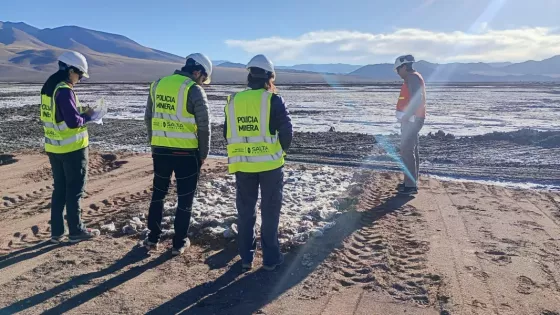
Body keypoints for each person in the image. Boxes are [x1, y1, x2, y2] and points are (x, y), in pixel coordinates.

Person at [223, 54, 293, 271]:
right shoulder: (273, 99)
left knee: (245, 211)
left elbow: (226, 132)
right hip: (270, 165)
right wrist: (280, 151)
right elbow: (287, 131)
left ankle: (246, 258)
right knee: (270, 211)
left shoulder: (233, 100)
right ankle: (271, 259)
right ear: (269, 77)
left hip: (243, 165)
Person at [143, 53, 212, 256]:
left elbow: (148, 118)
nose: (202, 82)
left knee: (158, 194)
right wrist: (203, 154)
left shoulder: (157, 85)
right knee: (185, 199)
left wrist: (154, 144)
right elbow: (204, 126)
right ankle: (179, 242)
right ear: (197, 72)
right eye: (203, 78)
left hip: (161, 151)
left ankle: (152, 238)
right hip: (186, 154)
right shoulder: (193, 89)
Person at [40, 51, 100, 243]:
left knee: (60, 190)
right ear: (70, 70)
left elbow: (59, 115)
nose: (80, 79)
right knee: (74, 190)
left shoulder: (49, 87)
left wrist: (81, 111)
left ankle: (57, 232)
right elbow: (73, 122)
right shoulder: (65, 90)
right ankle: (76, 230)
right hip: (72, 149)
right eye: (79, 74)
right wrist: (89, 116)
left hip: (54, 148)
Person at [394, 54, 427, 196]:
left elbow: (416, 99)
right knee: (411, 150)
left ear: (403, 67)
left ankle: (410, 186)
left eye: (398, 69)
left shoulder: (413, 78)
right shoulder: (411, 78)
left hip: (412, 119)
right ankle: (410, 182)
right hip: (412, 119)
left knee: (407, 150)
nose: (397, 72)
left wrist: (406, 117)